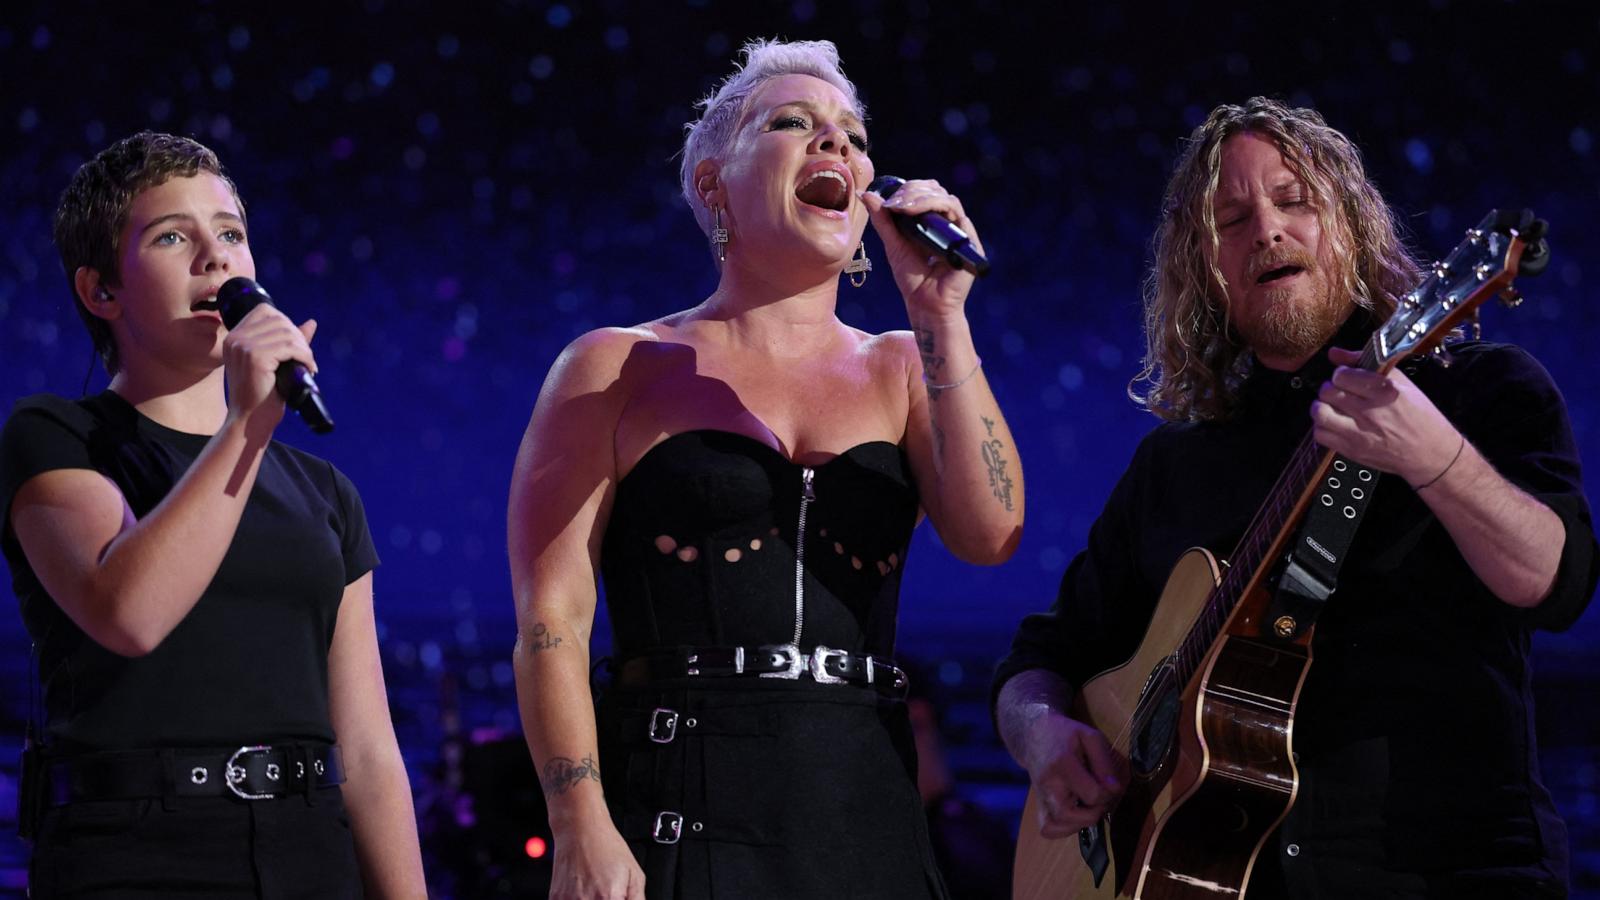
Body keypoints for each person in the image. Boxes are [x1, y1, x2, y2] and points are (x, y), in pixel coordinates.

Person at [994, 97, 1597, 898]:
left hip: (1455, 872)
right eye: (1232, 219)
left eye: (1295, 201)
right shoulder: (1171, 468)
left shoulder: (1484, 393)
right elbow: (1039, 663)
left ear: (1350, 225)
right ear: (1204, 270)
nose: (1267, 231)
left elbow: (1555, 584)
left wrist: (1436, 458)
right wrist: (1046, 739)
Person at [508, 38, 1024, 900]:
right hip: (679, 805)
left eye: (854, 138)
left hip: (863, 810)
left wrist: (942, 316)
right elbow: (550, 618)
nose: (838, 148)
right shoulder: (614, 365)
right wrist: (578, 823)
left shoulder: (905, 365)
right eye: (793, 124)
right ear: (714, 183)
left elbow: (991, 534)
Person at [0, 132, 426, 897]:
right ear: (101, 292)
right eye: (173, 237)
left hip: (308, 848)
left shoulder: (324, 493)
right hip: (135, 855)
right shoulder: (58, 436)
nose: (216, 258)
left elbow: (366, 748)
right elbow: (129, 613)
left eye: (230, 233)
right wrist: (245, 426)